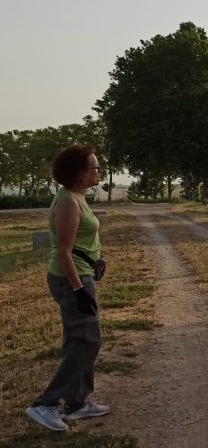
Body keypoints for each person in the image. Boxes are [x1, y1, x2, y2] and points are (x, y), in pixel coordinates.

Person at [26, 145, 109, 432]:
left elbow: (79, 244)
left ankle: (77, 402)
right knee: (87, 339)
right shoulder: (68, 203)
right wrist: (77, 290)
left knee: (80, 339)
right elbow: (63, 252)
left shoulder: (77, 198)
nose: (99, 171)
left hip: (80, 274)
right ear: (78, 172)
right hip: (69, 279)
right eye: (95, 167)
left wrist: (97, 259)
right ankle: (45, 405)